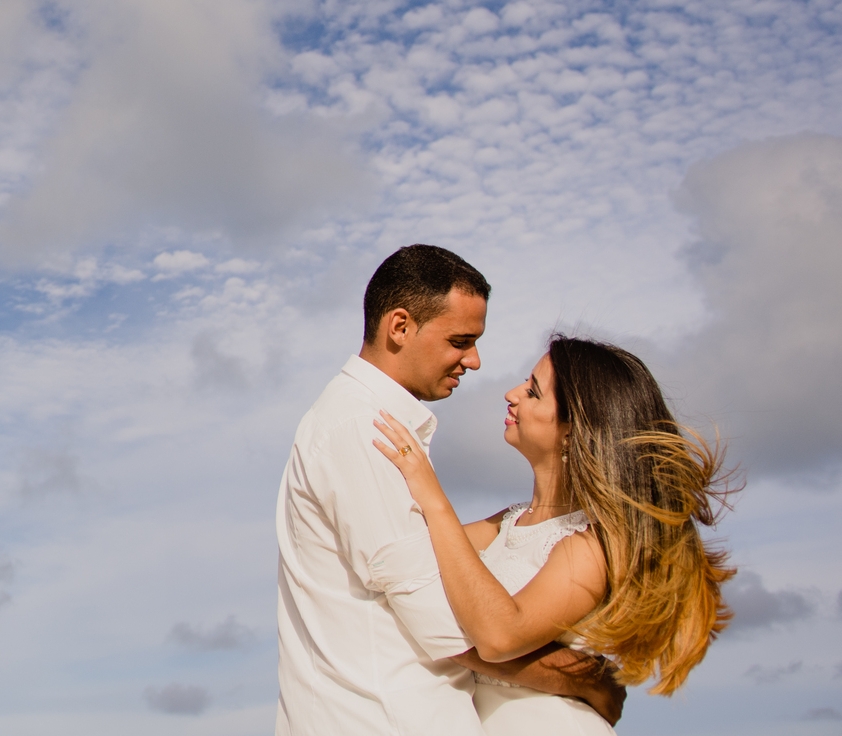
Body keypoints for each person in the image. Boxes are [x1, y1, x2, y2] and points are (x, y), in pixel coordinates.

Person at [276, 245, 625, 736]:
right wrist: (590, 680)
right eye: (460, 340)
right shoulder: (363, 430)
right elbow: (448, 627)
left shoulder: (382, 432)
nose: (476, 361)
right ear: (399, 327)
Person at [373, 335, 735, 735]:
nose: (511, 395)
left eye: (533, 392)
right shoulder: (506, 524)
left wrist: (432, 494)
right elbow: (404, 558)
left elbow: (499, 634)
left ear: (571, 431)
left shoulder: (592, 544)